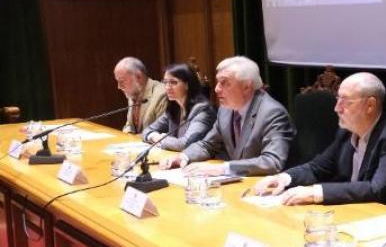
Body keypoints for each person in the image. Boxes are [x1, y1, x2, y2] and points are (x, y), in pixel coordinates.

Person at [252, 72, 386, 206]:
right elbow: (318, 167)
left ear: (370, 105)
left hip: (385, 220)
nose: (336, 108)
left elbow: (377, 189)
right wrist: (283, 178)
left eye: (345, 102)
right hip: (353, 213)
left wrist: (315, 192)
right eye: (338, 99)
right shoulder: (346, 133)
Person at [160, 56, 294, 176]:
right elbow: (208, 145)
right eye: (218, 82)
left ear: (247, 86)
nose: (216, 88)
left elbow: (272, 161)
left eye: (224, 83)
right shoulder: (226, 110)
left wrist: (224, 168)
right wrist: (184, 156)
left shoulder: (272, 113)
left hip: (266, 190)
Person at [141, 62, 215, 151]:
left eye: (173, 82)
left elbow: (186, 144)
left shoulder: (203, 111)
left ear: (188, 85)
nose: (167, 87)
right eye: (165, 82)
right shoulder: (174, 107)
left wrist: (163, 140)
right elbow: (147, 130)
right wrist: (154, 136)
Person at [114, 56, 167, 134]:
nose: (119, 87)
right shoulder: (133, 93)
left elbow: (162, 133)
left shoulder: (162, 95)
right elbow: (129, 126)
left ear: (138, 76)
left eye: (122, 81)